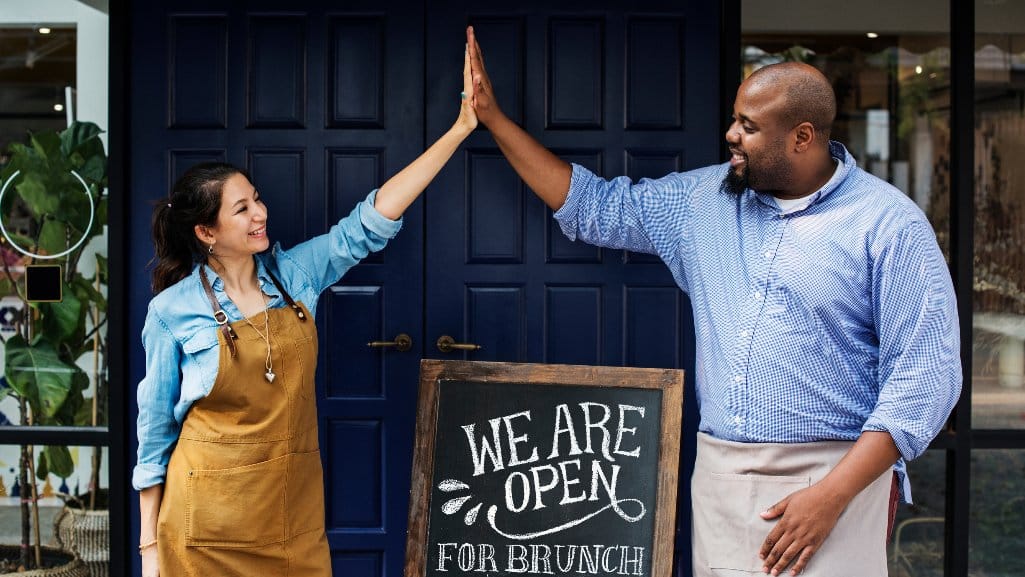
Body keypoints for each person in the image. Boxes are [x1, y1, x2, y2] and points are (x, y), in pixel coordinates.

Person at [464, 26, 961, 577]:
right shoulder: (704, 200)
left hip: (837, 477)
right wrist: (493, 118)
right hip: (722, 475)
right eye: (734, 119)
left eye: (748, 126)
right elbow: (594, 208)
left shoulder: (888, 225)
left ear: (802, 137)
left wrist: (830, 496)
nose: (730, 135)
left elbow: (925, 378)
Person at [133, 49, 476, 577]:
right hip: (204, 529)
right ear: (206, 232)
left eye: (258, 199)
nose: (260, 213)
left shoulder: (294, 276)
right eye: (241, 208)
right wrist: (149, 547)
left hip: (291, 517)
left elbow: (369, 222)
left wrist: (458, 130)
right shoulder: (170, 312)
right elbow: (154, 434)